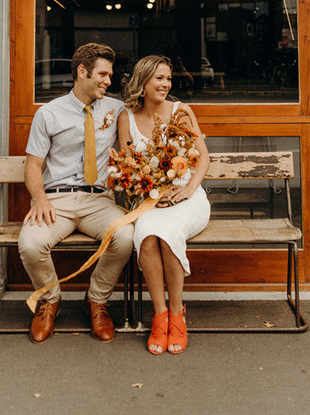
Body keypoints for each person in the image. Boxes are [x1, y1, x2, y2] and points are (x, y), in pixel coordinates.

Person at [18, 42, 133, 344]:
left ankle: (97, 300)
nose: (109, 81)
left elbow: (133, 146)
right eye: (103, 74)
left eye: (110, 75)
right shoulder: (49, 113)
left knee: (124, 237)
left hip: (99, 200)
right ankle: (49, 301)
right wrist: (40, 199)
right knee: (31, 244)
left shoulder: (116, 108)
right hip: (57, 199)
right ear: (82, 72)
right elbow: (33, 165)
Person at [118, 55, 210, 355]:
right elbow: (127, 165)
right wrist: (144, 186)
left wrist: (187, 191)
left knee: (169, 237)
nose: (165, 84)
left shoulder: (181, 112)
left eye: (168, 78)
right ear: (142, 82)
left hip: (187, 197)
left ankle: (177, 313)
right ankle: (159, 317)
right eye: (159, 78)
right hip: (150, 200)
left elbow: (202, 158)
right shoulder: (126, 117)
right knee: (146, 238)